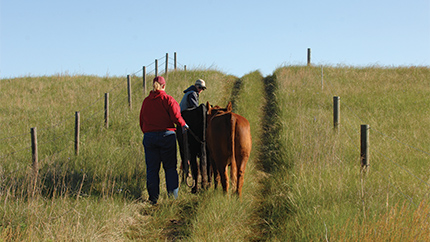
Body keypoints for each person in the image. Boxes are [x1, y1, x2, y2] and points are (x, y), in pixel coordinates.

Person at [139, 76, 188, 205]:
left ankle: (153, 199)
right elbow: (176, 117)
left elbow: (141, 120)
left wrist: (148, 132)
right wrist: (183, 125)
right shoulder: (168, 100)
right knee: (170, 168)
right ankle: (172, 198)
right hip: (167, 136)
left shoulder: (146, 101)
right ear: (164, 86)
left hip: (149, 137)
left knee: (152, 169)